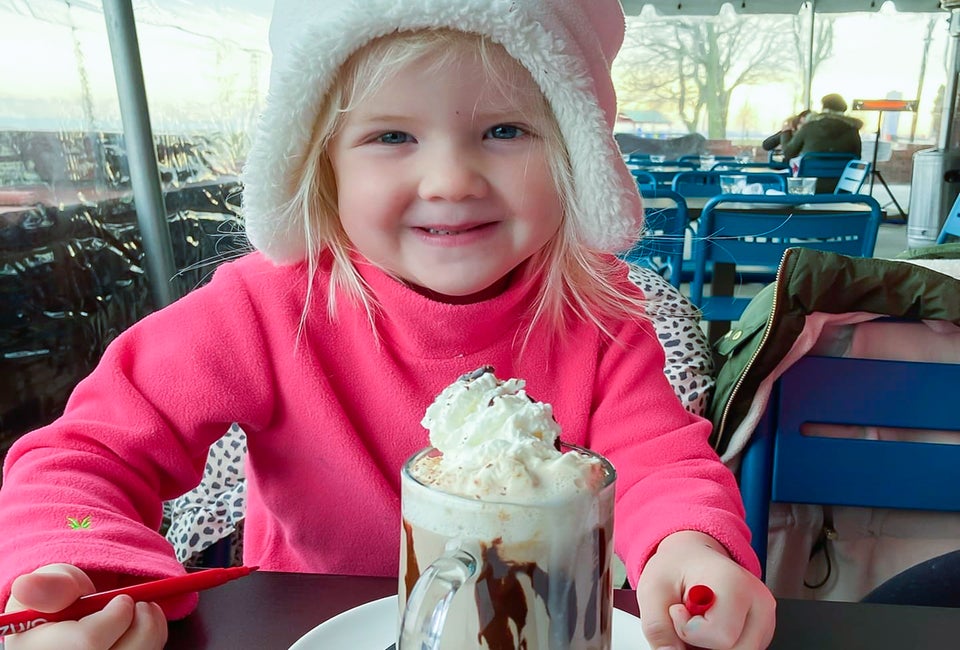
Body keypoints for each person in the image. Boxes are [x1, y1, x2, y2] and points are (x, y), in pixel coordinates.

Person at [0, 1, 775, 649]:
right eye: (391, 136)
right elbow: (83, 458)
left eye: (505, 130)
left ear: (577, 152)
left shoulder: (599, 311)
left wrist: (688, 548)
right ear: (322, 164)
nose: (449, 181)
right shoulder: (265, 308)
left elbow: (660, 464)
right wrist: (81, 567)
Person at [780, 93, 863, 169]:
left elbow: (788, 153)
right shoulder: (852, 130)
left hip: (811, 179)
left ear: (823, 108)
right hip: (843, 180)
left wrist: (785, 132)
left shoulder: (809, 127)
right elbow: (857, 157)